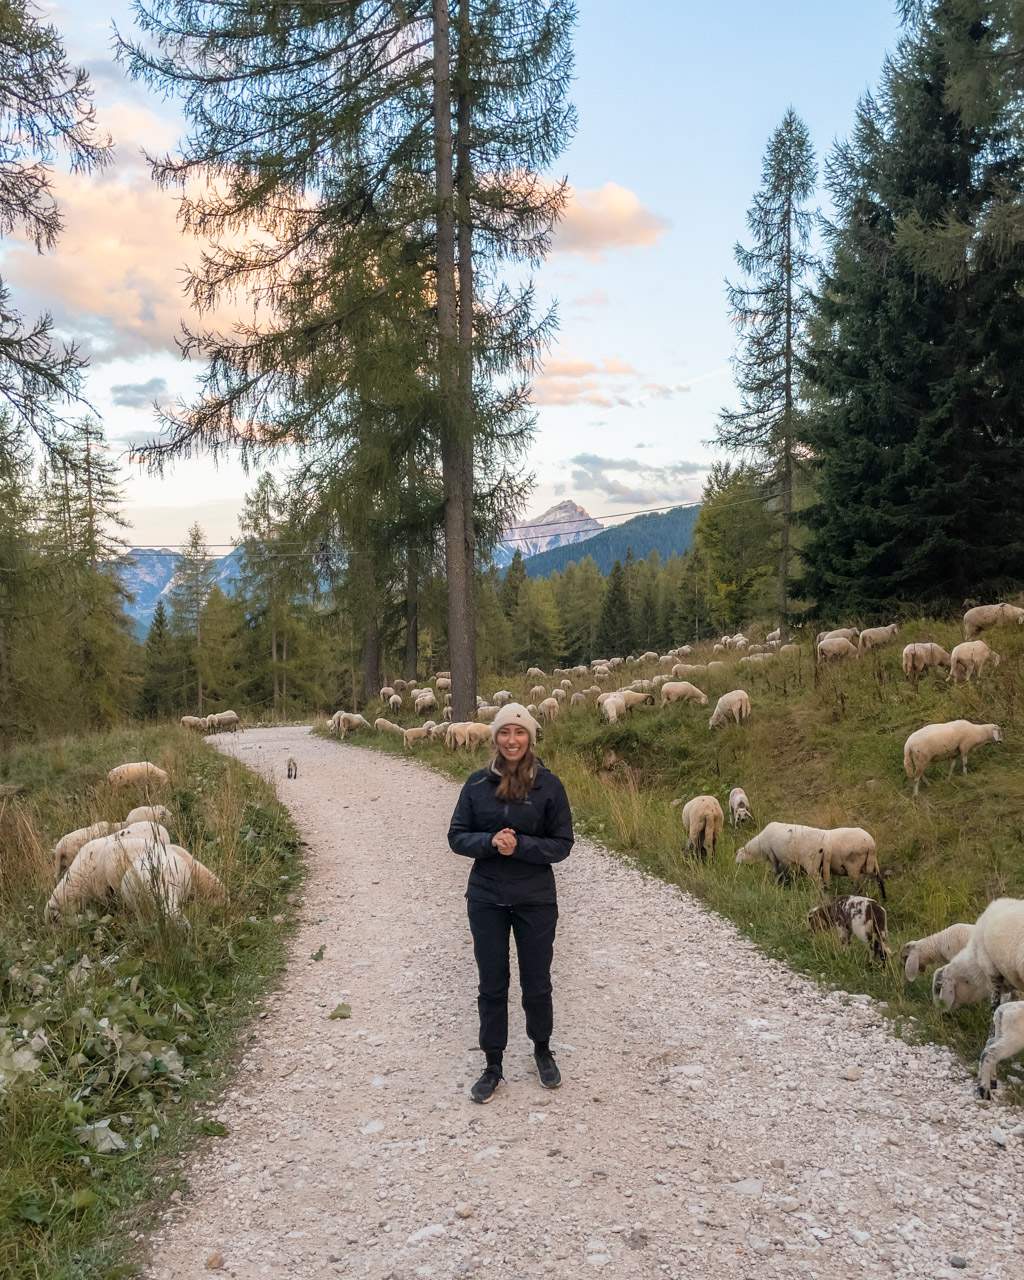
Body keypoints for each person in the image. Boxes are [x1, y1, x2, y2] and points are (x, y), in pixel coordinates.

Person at [448, 702, 574, 1104]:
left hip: (535, 899)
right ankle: (493, 1063)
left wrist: (520, 845)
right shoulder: (475, 785)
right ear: (495, 738)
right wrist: (488, 842)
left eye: (519, 733)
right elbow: (456, 836)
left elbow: (562, 843)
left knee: (536, 980)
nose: (512, 740)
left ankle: (542, 1049)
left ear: (530, 738)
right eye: (504, 732)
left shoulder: (549, 786)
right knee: (492, 982)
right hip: (487, 897)